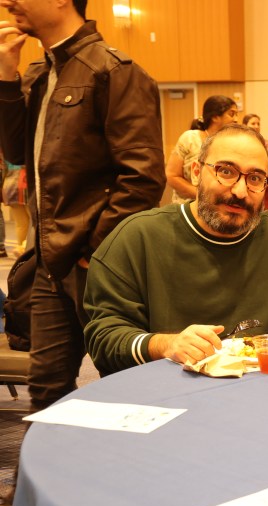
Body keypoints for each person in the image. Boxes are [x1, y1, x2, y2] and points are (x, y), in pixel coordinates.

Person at [84, 124, 268, 376]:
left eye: (255, 178)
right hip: (168, 396)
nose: (240, 191)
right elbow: (103, 338)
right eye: (226, 172)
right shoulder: (136, 238)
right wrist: (165, 344)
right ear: (196, 172)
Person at [0, 0, 165, 410]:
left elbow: (143, 178)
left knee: (126, 386)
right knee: (46, 391)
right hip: (49, 264)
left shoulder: (114, 71)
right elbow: (17, 154)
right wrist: (6, 77)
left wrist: (95, 251)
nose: (7, 2)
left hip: (96, 263)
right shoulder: (38, 75)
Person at [166, 95, 237, 204]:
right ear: (215, 117)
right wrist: (204, 196)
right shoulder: (190, 138)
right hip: (186, 205)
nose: (236, 119)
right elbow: (171, 175)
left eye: (237, 114)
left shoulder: (231, 144)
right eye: (231, 114)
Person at [243, 113, 268, 212]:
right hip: (244, 187)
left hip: (265, 188)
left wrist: (259, 182)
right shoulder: (239, 144)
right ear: (245, 125)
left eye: (258, 124)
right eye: (253, 123)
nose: (256, 126)